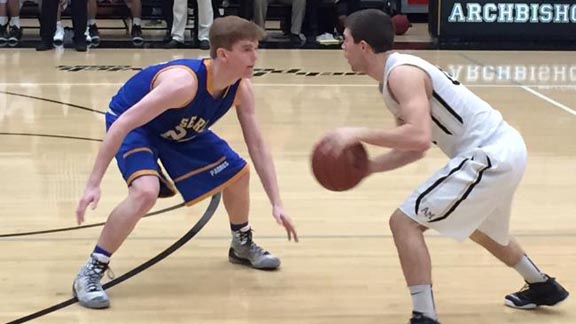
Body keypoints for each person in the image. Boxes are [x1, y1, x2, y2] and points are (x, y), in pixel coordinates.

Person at [321, 9, 569, 324]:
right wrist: (370, 168)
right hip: (503, 149)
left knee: (404, 223)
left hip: (490, 152)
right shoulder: (391, 79)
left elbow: (419, 136)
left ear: (364, 46)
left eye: (346, 40)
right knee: (480, 227)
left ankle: (424, 315)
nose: (342, 47)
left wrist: (357, 133)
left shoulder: (402, 74)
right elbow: (412, 149)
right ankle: (542, 285)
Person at [73, 15, 299, 310]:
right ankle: (91, 270)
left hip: (180, 126)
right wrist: (93, 184)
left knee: (238, 173)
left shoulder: (240, 88)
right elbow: (122, 124)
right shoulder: (183, 84)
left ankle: (241, 243)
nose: (255, 57)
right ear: (222, 54)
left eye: (256, 48)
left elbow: (257, 145)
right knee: (145, 192)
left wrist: (276, 202)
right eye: (247, 49)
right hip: (136, 127)